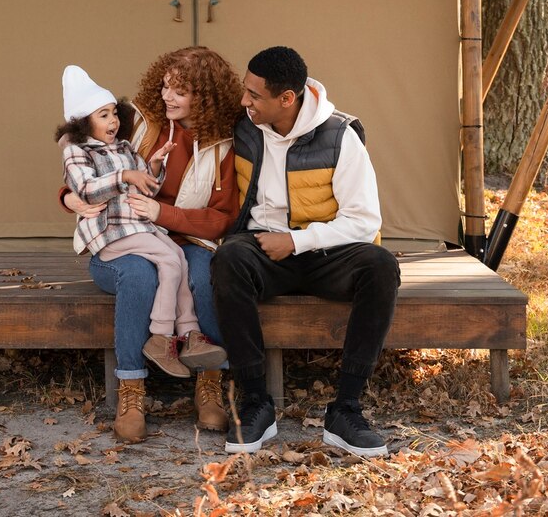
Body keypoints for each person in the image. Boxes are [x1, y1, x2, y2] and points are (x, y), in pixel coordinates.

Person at [212, 46, 399, 457]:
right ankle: (256, 403)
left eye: (254, 95)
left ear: (286, 98)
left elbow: (364, 220)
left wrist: (298, 241)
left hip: (326, 252)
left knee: (381, 266)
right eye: (245, 90)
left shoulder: (340, 136)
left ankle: (346, 410)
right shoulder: (244, 129)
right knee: (228, 259)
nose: (244, 101)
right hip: (263, 249)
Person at [62, 47, 242, 443]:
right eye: (164, 86)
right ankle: (131, 390)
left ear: (205, 97)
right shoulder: (138, 123)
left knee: (203, 276)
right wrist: (68, 197)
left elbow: (223, 217)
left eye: (180, 91)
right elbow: (87, 163)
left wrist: (165, 215)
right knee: (140, 277)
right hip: (122, 237)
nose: (167, 97)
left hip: (187, 236)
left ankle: (209, 383)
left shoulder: (225, 144)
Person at [57, 65, 223, 382]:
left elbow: (146, 186)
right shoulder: (77, 152)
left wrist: (154, 166)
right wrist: (122, 177)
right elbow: (86, 188)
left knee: (179, 259)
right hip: (111, 231)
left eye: (114, 113)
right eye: (103, 115)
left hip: (140, 227)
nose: (114, 121)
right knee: (169, 260)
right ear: (83, 123)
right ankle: (161, 335)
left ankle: (189, 331)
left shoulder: (123, 147)